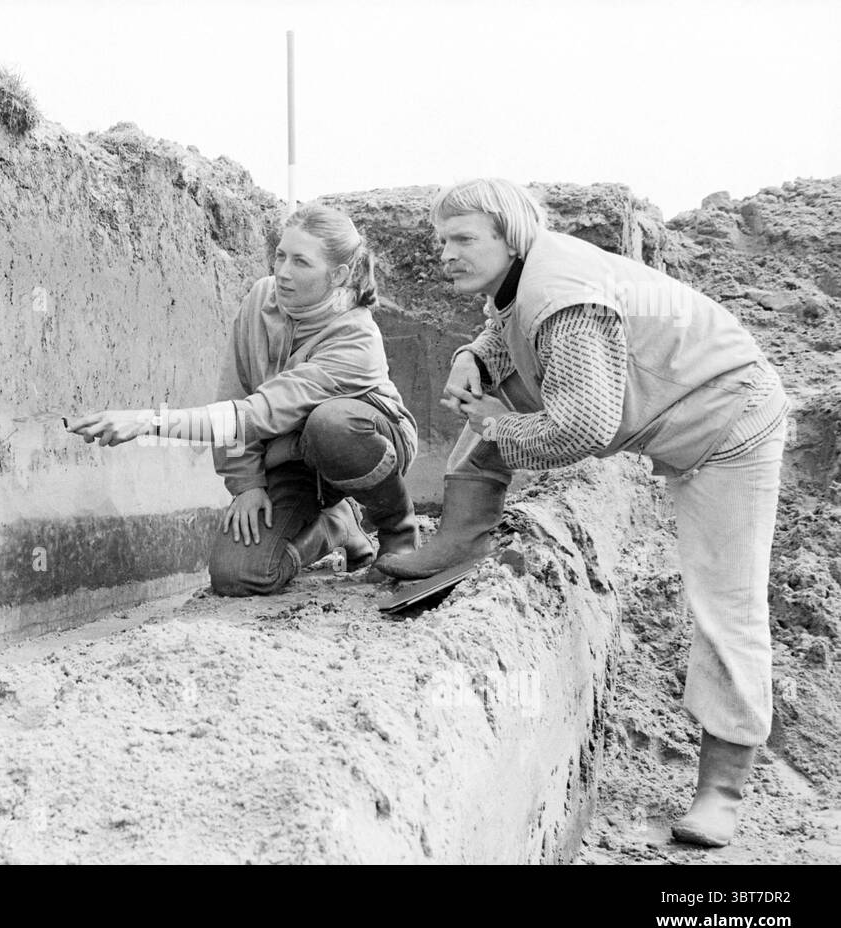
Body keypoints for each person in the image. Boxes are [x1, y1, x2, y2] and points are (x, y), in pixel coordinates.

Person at [380, 178, 789, 849]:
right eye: (438, 240)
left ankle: (723, 787)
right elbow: (504, 325)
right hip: (675, 407)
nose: (443, 254)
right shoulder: (529, 274)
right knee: (498, 400)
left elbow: (584, 428)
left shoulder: (562, 293)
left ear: (509, 235)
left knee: (726, 602)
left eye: (460, 239)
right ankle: (461, 536)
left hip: (727, 426)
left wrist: (498, 422)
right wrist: (471, 358)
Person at [67, 203, 420, 596]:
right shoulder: (261, 298)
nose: (283, 271)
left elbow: (259, 412)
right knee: (238, 575)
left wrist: (150, 422)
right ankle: (337, 525)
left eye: (301, 262)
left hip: (365, 441)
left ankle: (398, 530)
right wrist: (247, 483)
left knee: (330, 424)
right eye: (281, 255)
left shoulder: (356, 338)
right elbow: (235, 393)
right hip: (292, 454)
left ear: (337, 275)